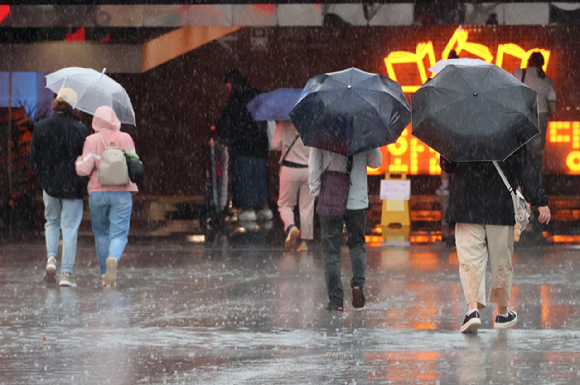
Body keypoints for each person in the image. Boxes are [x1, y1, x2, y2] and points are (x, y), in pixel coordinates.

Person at [441, 145, 550, 334]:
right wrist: (539, 201)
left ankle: (473, 310)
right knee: (501, 260)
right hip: (499, 204)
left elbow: (447, 165)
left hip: (465, 203)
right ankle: (501, 312)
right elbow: (525, 167)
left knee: (470, 260)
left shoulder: (461, 127)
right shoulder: (508, 126)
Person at [309, 148, 382, 311]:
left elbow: (314, 164)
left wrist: (316, 191)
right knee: (357, 243)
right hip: (357, 198)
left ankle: (336, 300)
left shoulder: (323, 127)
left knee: (331, 249)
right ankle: (357, 285)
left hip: (331, 196)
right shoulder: (364, 129)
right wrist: (371, 145)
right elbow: (376, 163)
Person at [30, 88, 89, 287]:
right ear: (73, 106)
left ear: (56, 104)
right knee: (70, 228)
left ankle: (51, 259)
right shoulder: (81, 130)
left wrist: (45, 178)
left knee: (52, 222)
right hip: (73, 187)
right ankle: (65, 274)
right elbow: (85, 160)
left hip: (50, 186)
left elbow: (34, 160)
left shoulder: (41, 127)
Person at [75, 106, 138, 287]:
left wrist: (78, 161)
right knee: (119, 234)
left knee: (101, 234)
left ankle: (105, 275)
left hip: (98, 192)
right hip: (122, 193)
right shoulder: (125, 138)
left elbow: (84, 169)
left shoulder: (92, 140)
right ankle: (113, 257)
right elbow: (135, 164)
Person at [216, 69, 272, 222]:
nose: (227, 88)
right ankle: (265, 207)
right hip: (260, 146)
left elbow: (228, 121)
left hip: (243, 145)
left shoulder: (237, 99)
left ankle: (248, 209)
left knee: (245, 178)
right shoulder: (256, 95)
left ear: (233, 83)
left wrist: (221, 133)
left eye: (228, 84)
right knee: (259, 178)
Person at [513, 52, 557, 181]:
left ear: (528, 61)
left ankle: (518, 184)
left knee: (520, 151)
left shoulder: (519, 74)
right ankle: (533, 183)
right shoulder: (548, 82)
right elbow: (553, 109)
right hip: (540, 117)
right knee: (536, 154)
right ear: (542, 64)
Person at [272, 121, 313, 251]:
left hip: (289, 168)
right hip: (308, 169)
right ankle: (304, 242)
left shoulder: (283, 124)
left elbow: (275, 144)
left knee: (285, 204)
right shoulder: (311, 123)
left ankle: (291, 227)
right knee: (307, 207)